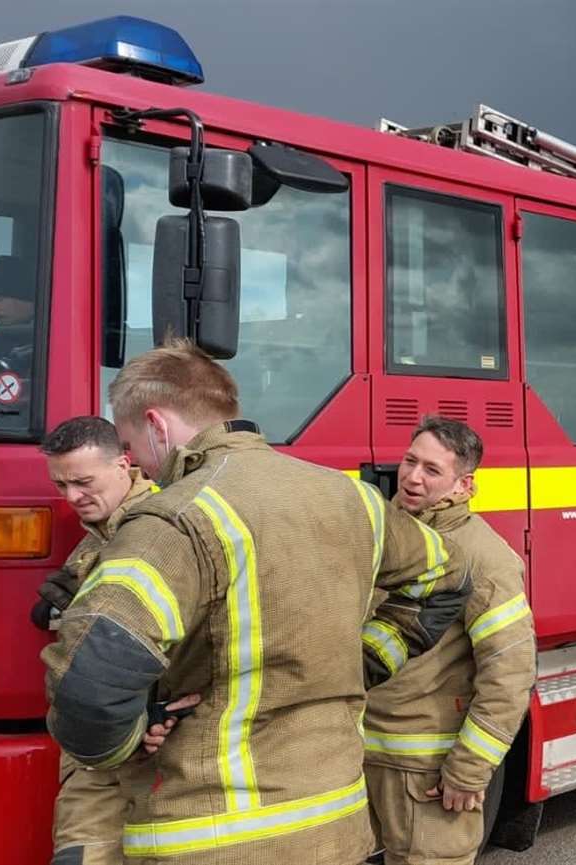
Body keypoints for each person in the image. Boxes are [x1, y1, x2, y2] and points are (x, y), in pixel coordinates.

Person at [41, 339, 471, 865]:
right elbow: (446, 575)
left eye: (132, 444)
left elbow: (89, 688)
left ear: (155, 424)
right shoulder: (354, 497)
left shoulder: (175, 519)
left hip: (210, 835)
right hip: (334, 826)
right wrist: (366, 660)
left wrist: (129, 740)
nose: (141, 467)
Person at [365, 417, 535, 865]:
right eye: (409, 461)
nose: (413, 477)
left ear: (465, 486)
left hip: (427, 775)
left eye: (432, 470)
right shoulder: (384, 532)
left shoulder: (483, 558)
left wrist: (469, 770)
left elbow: (510, 674)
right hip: (361, 756)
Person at [35, 416, 155, 865]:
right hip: (92, 741)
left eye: (83, 482)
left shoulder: (159, 533)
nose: (71, 498)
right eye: (61, 485)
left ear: (124, 464)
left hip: (142, 744)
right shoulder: (97, 538)